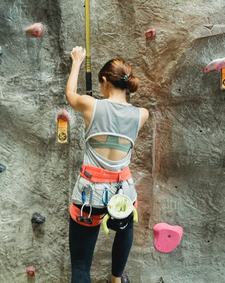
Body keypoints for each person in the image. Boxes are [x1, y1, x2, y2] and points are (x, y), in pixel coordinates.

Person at [65, 46, 149, 283]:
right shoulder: (141, 114)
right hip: (122, 194)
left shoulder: (90, 106)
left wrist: (77, 61)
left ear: (104, 81)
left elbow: (70, 94)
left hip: (89, 195)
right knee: (126, 226)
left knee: (81, 266)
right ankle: (115, 279)